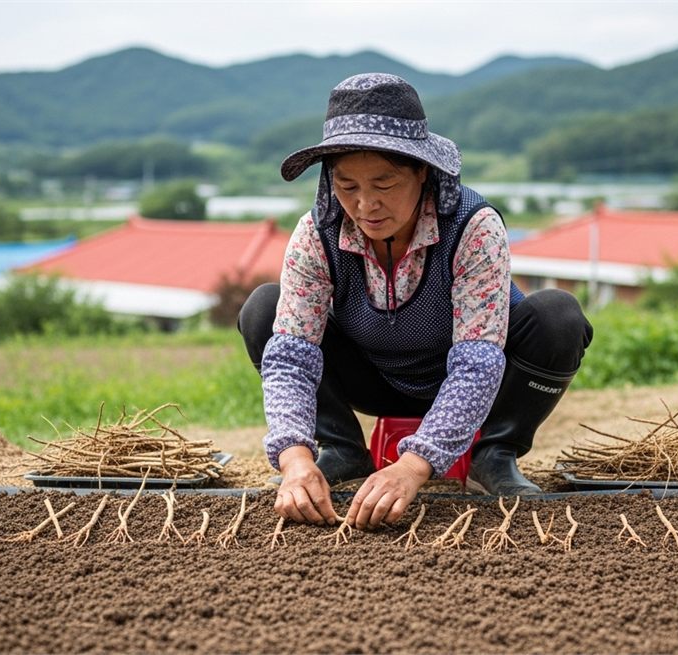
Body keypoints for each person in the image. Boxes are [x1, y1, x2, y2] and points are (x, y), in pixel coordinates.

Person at [238, 73, 592, 530]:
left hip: (471, 378)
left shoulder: (473, 226)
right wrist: (294, 459)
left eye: (384, 184)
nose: (365, 205)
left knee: (558, 317)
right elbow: (291, 358)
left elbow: (477, 365)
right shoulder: (317, 233)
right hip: (372, 374)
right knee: (264, 310)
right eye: (348, 186)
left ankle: (495, 454)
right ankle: (340, 447)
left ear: (422, 171)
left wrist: (412, 467)